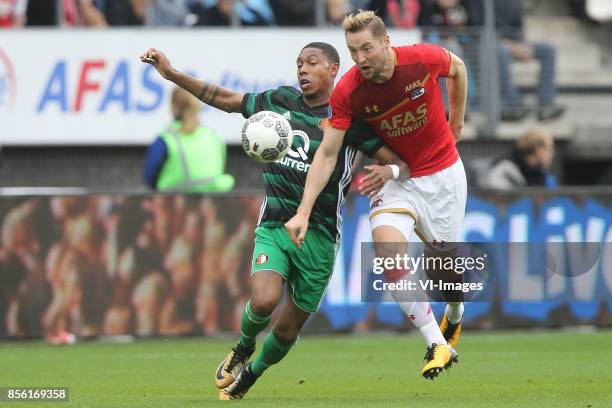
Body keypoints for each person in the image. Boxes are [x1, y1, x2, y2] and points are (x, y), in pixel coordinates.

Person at [140, 41, 409, 399]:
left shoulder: (349, 119)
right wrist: (171, 74)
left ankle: (252, 373)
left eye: (311, 63)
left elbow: (400, 162)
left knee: (285, 332)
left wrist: (388, 170)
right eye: (298, 63)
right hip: (276, 225)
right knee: (264, 301)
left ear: (333, 69)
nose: (302, 69)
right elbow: (226, 99)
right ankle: (243, 345)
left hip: (321, 236)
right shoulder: (280, 101)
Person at [285, 9, 469, 379]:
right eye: (353, 51)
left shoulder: (420, 59)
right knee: (387, 250)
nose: (361, 59)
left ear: (386, 42)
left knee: (443, 269)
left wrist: (456, 122)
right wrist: (303, 210)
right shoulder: (349, 91)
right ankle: (436, 343)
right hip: (398, 180)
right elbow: (327, 153)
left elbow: (458, 68)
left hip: (444, 175)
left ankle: (455, 314)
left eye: (366, 49)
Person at [143, 86, 235, 193]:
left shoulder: (166, 139)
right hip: (213, 202)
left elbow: (149, 177)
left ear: (173, 107)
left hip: (173, 203)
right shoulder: (213, 136)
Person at [494, 0, 565, 121]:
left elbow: (518, 30)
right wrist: (511, 46)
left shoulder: (514, 3)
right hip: (491, 45)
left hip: (514, 44)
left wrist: (523, 46)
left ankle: (545, 105)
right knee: (501, 51)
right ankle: (512, 104)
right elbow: (481, 27)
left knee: (548, 50)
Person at [485, 128, 557, 190]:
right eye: (549, 149)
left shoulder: (545, 176)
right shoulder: (504, 169)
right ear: (538, 149)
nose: (552, 154)